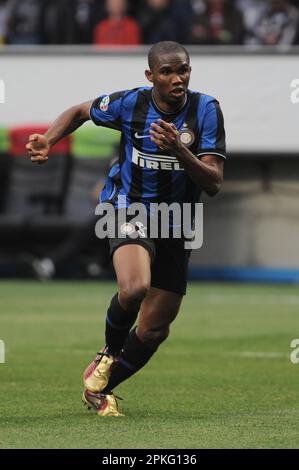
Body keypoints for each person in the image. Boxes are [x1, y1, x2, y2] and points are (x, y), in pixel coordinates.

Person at [26, 41, 226, 416]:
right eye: (166, 72)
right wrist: (49, 139)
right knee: (134, 288)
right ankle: (108, 351)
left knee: (154, 329)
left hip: (177, 220)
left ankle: (100, 387)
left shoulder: (207, 110)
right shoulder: (129, 103)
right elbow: (80, 111)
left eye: (182, 70)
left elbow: (213, 182)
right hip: (127, 207)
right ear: (151, 77)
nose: (176, 78)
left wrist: (179, 150)